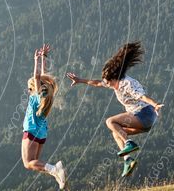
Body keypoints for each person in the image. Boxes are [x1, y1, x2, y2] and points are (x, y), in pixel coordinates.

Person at [65, 41, 164, 177]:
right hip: (142, 121)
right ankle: (128, 160)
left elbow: (143, 97)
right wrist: (80, 80)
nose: (108, 84)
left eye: (109, 82)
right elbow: (98, 83)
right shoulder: (112, 82)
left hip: (145, 114)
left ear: (115, 78)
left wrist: (155, 104)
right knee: (116, 133)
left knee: (110, 122)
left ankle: (129, 143)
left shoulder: (127, 84)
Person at [22, 43, 66, 189]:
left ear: (34, 88)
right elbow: (42, 77)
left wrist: (36, 60)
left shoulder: (36, 97)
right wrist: (44, 57)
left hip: (31, 131)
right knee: (36, 161)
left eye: (30, 88)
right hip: (42, 133)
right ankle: (55, 172)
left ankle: (55, 169)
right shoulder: (47, 96)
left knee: (28, 163)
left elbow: (38, 76)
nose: (29, 91)